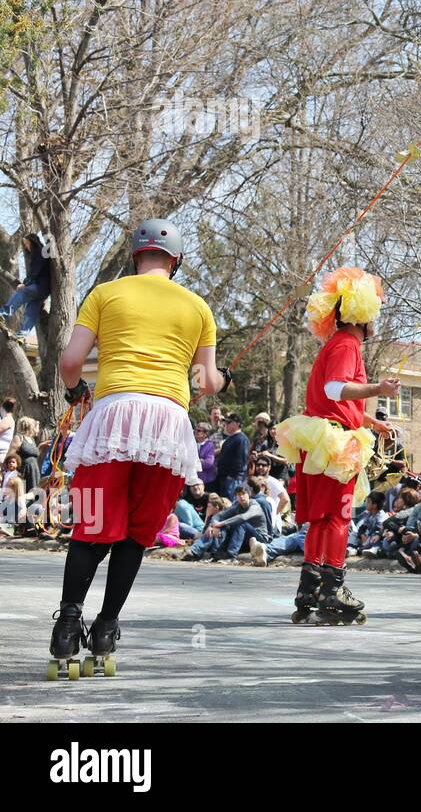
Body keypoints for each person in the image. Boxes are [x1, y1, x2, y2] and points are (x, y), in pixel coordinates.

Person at [48, 218, 227, 673]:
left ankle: (68, 626)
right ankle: (106, 627)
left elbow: (70, 362)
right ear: (177, 260)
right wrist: (217, 380)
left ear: (135, 255)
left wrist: (76, 393)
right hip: (167, 423)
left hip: (113, 414)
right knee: (136, 531)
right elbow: (207, 382)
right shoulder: (197, 307)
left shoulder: (107, 294)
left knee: (91, 525)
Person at [274, 267, 396, 624]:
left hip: (322, 437)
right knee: (339, 516)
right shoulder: (347, 345)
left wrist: (371, 421)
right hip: (334, 443)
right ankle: (333, 588)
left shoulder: (336, 344)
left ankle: (310, 585)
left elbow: (334, 401)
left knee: (322, 518)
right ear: (364, 312)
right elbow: (334, 389)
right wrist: (378, 390)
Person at [1, 232, 51, 335]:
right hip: (43, 290)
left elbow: (36, 271)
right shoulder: (37, 254)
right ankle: (21, 336)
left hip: (40, 286)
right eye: (25, 244)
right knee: (31, 311)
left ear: (33, 242)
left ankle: (3, 314)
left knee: (22, 292)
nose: (27, 246)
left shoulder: (41, 252)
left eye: (28, 243)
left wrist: (26, 283)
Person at [212, 414, 249, 502]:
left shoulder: (242, 439)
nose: (226, 424)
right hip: (224, 478)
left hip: (233, 480)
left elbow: (241, 461)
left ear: (237, 424)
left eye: (229, 422)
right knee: (224, 504)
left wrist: (232, 476)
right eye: (226, 422)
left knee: (231, 504)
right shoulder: (230, 438)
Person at [194, 421, 216, 489]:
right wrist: (201, 460)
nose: (195, 432)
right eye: (195, 429)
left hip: (206, 481)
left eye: (198, 430)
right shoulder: (192, 443)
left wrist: (194, 461)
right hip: (193, 480)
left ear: (205, 434)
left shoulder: (209, 445)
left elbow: (208, 463)